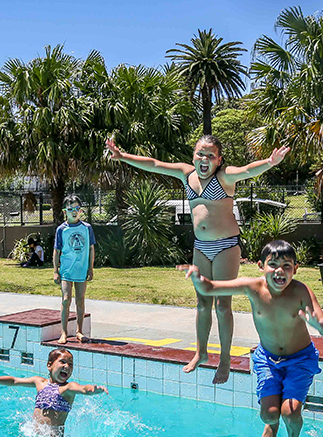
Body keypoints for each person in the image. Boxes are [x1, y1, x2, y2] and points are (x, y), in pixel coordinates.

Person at [108, 136, 290, 384]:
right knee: (203, 304)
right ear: (193, 155)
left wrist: (270, 161)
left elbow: (248, 170)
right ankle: (201, 352)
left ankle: (224, 360)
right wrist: (123, 156)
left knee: (222, 306)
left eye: (210, 156)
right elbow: (154, 164)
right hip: (201, 247)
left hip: (226, 246)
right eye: (200, 154)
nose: (204, 160)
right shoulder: (186, 174)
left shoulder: (224, 177)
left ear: (219, 160)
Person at [181, 240, 323, 437]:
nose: (279, 271)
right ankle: (272, 426)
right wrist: (197, 279)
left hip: (300, 359)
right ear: (261, 266)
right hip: (267, 359)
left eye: (286, 266)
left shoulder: (301, 291)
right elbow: (210, 288)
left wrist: (318, 325)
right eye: (273, 264)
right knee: (269, 414)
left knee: (291, 413)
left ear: (296, 268)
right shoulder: (252, 287)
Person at [53, 195, 95, 344]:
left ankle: (79, 331)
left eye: (77, 208)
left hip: (81, 270)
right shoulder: (61, 230)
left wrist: (90, 268)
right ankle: (63, 332)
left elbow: (91, 249)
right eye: (70, 209)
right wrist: (55, 271)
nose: (74, 212)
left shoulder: (87, 228)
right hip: (66, 270)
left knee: (80, 300)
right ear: (65, 211)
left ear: (81, 210)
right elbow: (56, 251)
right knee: (66, 300)